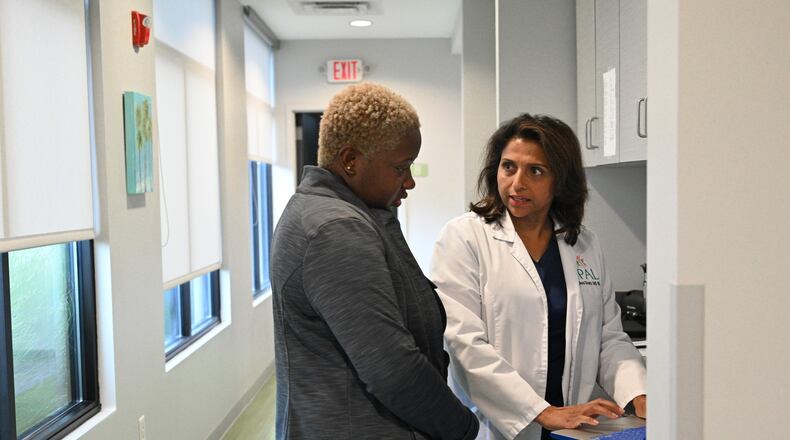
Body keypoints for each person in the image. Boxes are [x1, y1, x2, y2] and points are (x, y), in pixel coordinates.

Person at [270, 82, 479, 440]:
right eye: (401, 167)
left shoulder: (333, 212)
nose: (410, 181)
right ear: (351, 160)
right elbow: (392, 368)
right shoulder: (336, 231)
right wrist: (463, 427)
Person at [431, 114, 647, 440]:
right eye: (508, 167)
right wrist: (543, 412)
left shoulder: (583, 243)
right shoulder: (464, 237)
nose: (517, 182)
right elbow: (464, 345)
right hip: (499, 427)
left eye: (535, 171)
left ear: (560, 181)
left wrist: (638, 394)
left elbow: (608, 338)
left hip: (571, 427)